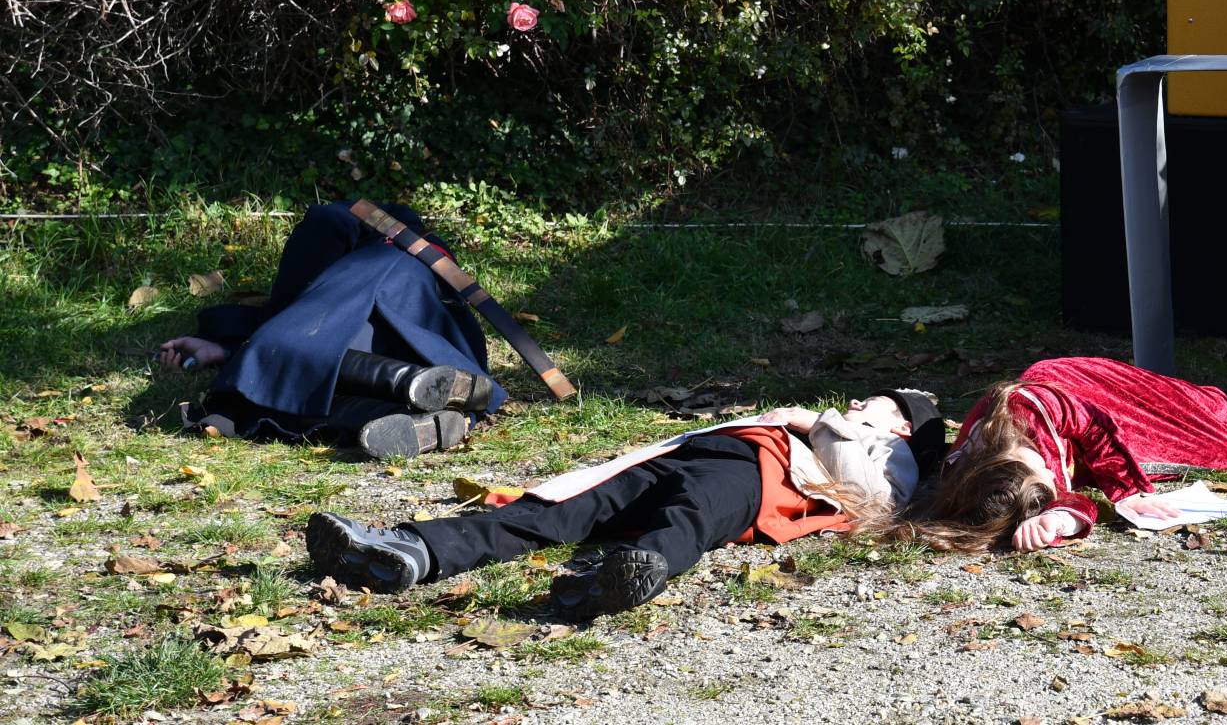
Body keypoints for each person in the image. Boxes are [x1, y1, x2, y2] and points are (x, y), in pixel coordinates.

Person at [306, 390, 947, 619]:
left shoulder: (896, 453)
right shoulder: (861, 426)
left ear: (901, 426)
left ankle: (630, 573)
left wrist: (816, 421)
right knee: (557, 512)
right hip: (687, 456)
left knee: (690, 517)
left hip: (762, 473)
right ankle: (411, 549)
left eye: (876, 404)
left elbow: (873, 498)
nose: (858, 404)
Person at [157, 201, 507, 457]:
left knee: (264, 386)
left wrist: (236, 350)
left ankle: (406, 401)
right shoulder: (421, 254)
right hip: (424, 342)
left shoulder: (344, 227)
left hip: (384, 323)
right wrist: (227, 350)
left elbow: (286, 312)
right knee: (277, 371)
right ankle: (421, 408)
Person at [893, 357, 1227, 552]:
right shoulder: (973, 481)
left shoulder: (1027, 408)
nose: (1049, 473)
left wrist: (1127, 491)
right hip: (1081, 453)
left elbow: (1097, 426)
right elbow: (1069, 500)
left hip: (1088, 394)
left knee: (1213, 439)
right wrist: (1056, 523)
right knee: (1210, 452)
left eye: (1041, 468)